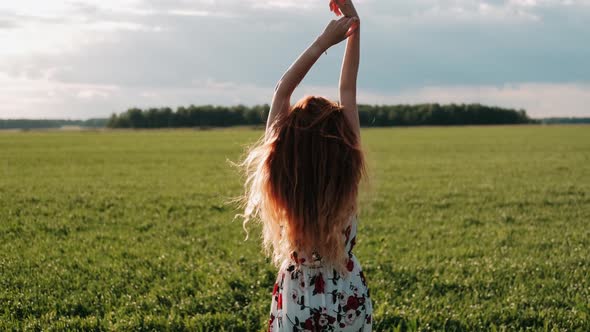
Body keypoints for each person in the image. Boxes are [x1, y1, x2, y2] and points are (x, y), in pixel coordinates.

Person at [239, 0, 372, 330]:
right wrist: (354, 25)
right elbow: (348, 88)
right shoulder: (346, 169)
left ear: (287, 146)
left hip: (297, 297)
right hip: (347, 294)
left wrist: (322, 42)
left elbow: (282, 91)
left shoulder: (280, 175)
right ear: (341, 143)